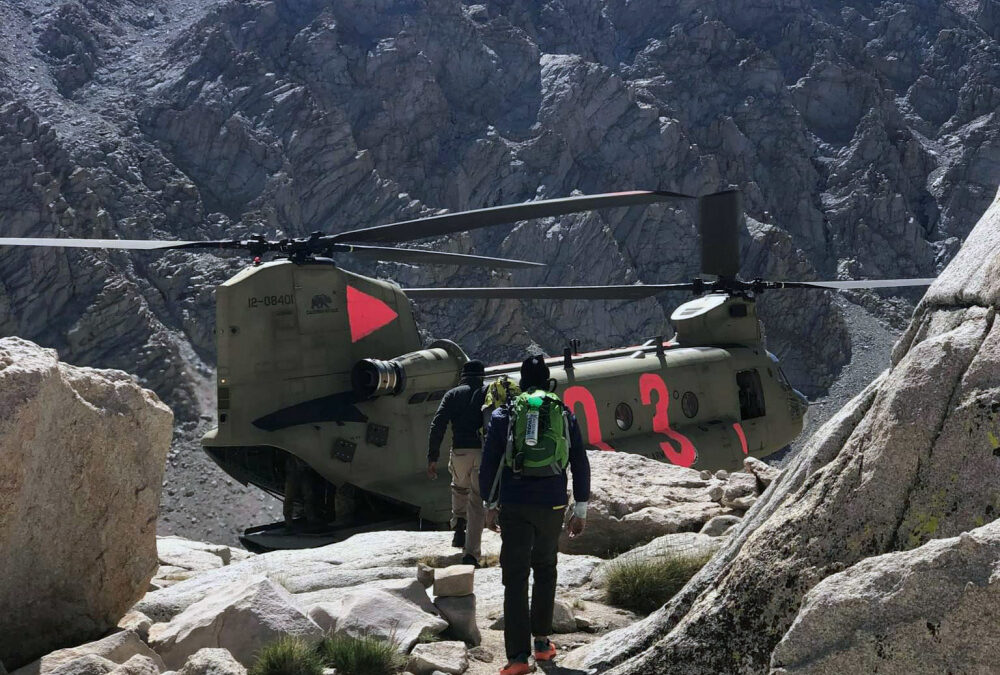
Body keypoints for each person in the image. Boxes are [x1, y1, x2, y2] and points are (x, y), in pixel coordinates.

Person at [479, 355, 590, 675]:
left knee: (515, 578)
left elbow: (490, 464)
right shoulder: (564, 413)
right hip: (553, 504)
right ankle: (542, 645)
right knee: (545, 567)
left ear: (522, 382)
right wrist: (579, 507)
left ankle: (517, 659)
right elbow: (580, 461)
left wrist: (489, 505)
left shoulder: (505, 414)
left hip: (514, 505)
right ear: (548, 381)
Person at [428, 359, 488, 566]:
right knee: (477, 500)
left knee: (459, 488)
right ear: (482, 375)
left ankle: (459, 522)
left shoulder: (452, 394)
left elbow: (438, 425)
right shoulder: (488, 393)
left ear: (463, 375)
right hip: (483, 452)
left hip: (460, 451)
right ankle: (471, 554)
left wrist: (432, 457)